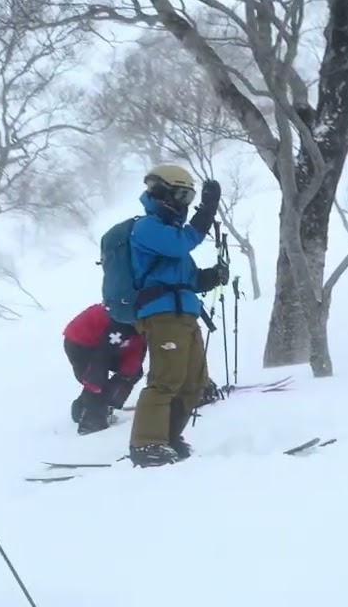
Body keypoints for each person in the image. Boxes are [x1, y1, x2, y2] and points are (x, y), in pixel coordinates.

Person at [127, 165, 227, 468]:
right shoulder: (147, 228)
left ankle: (167, 438)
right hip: (162, 315)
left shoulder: (171, 234)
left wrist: (212, 277)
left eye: (190, 196)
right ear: (161, 191)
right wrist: (206, 211)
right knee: (166, 378)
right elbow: (182, 243)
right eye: (181, 194)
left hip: (184, 314)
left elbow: (190, 278)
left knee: (193, 382)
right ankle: (146, 444)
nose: (184, 202)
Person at [62, 303, 148, 435]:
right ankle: (91, 421)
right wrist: (95, 384)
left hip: (112, 340)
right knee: (96, 377)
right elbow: (100, 361)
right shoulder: (122, 318)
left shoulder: (141, 327)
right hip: (80, 342)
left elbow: (133, 360)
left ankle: (97, 406)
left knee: (132, 372)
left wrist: (127, 375)